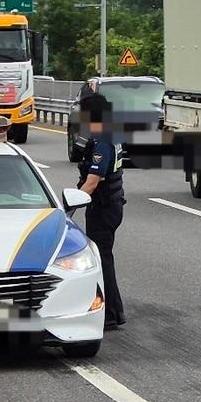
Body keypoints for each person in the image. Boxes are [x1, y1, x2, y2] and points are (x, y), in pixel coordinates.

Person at [75, 90, 126, 330]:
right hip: (110, 205)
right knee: (103, 257)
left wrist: (72, 203)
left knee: (102, 259)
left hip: (104, 208)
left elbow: (93, 180)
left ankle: (112, 313)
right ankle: (111, 310)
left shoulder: (103, 142)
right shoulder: (107, 135)